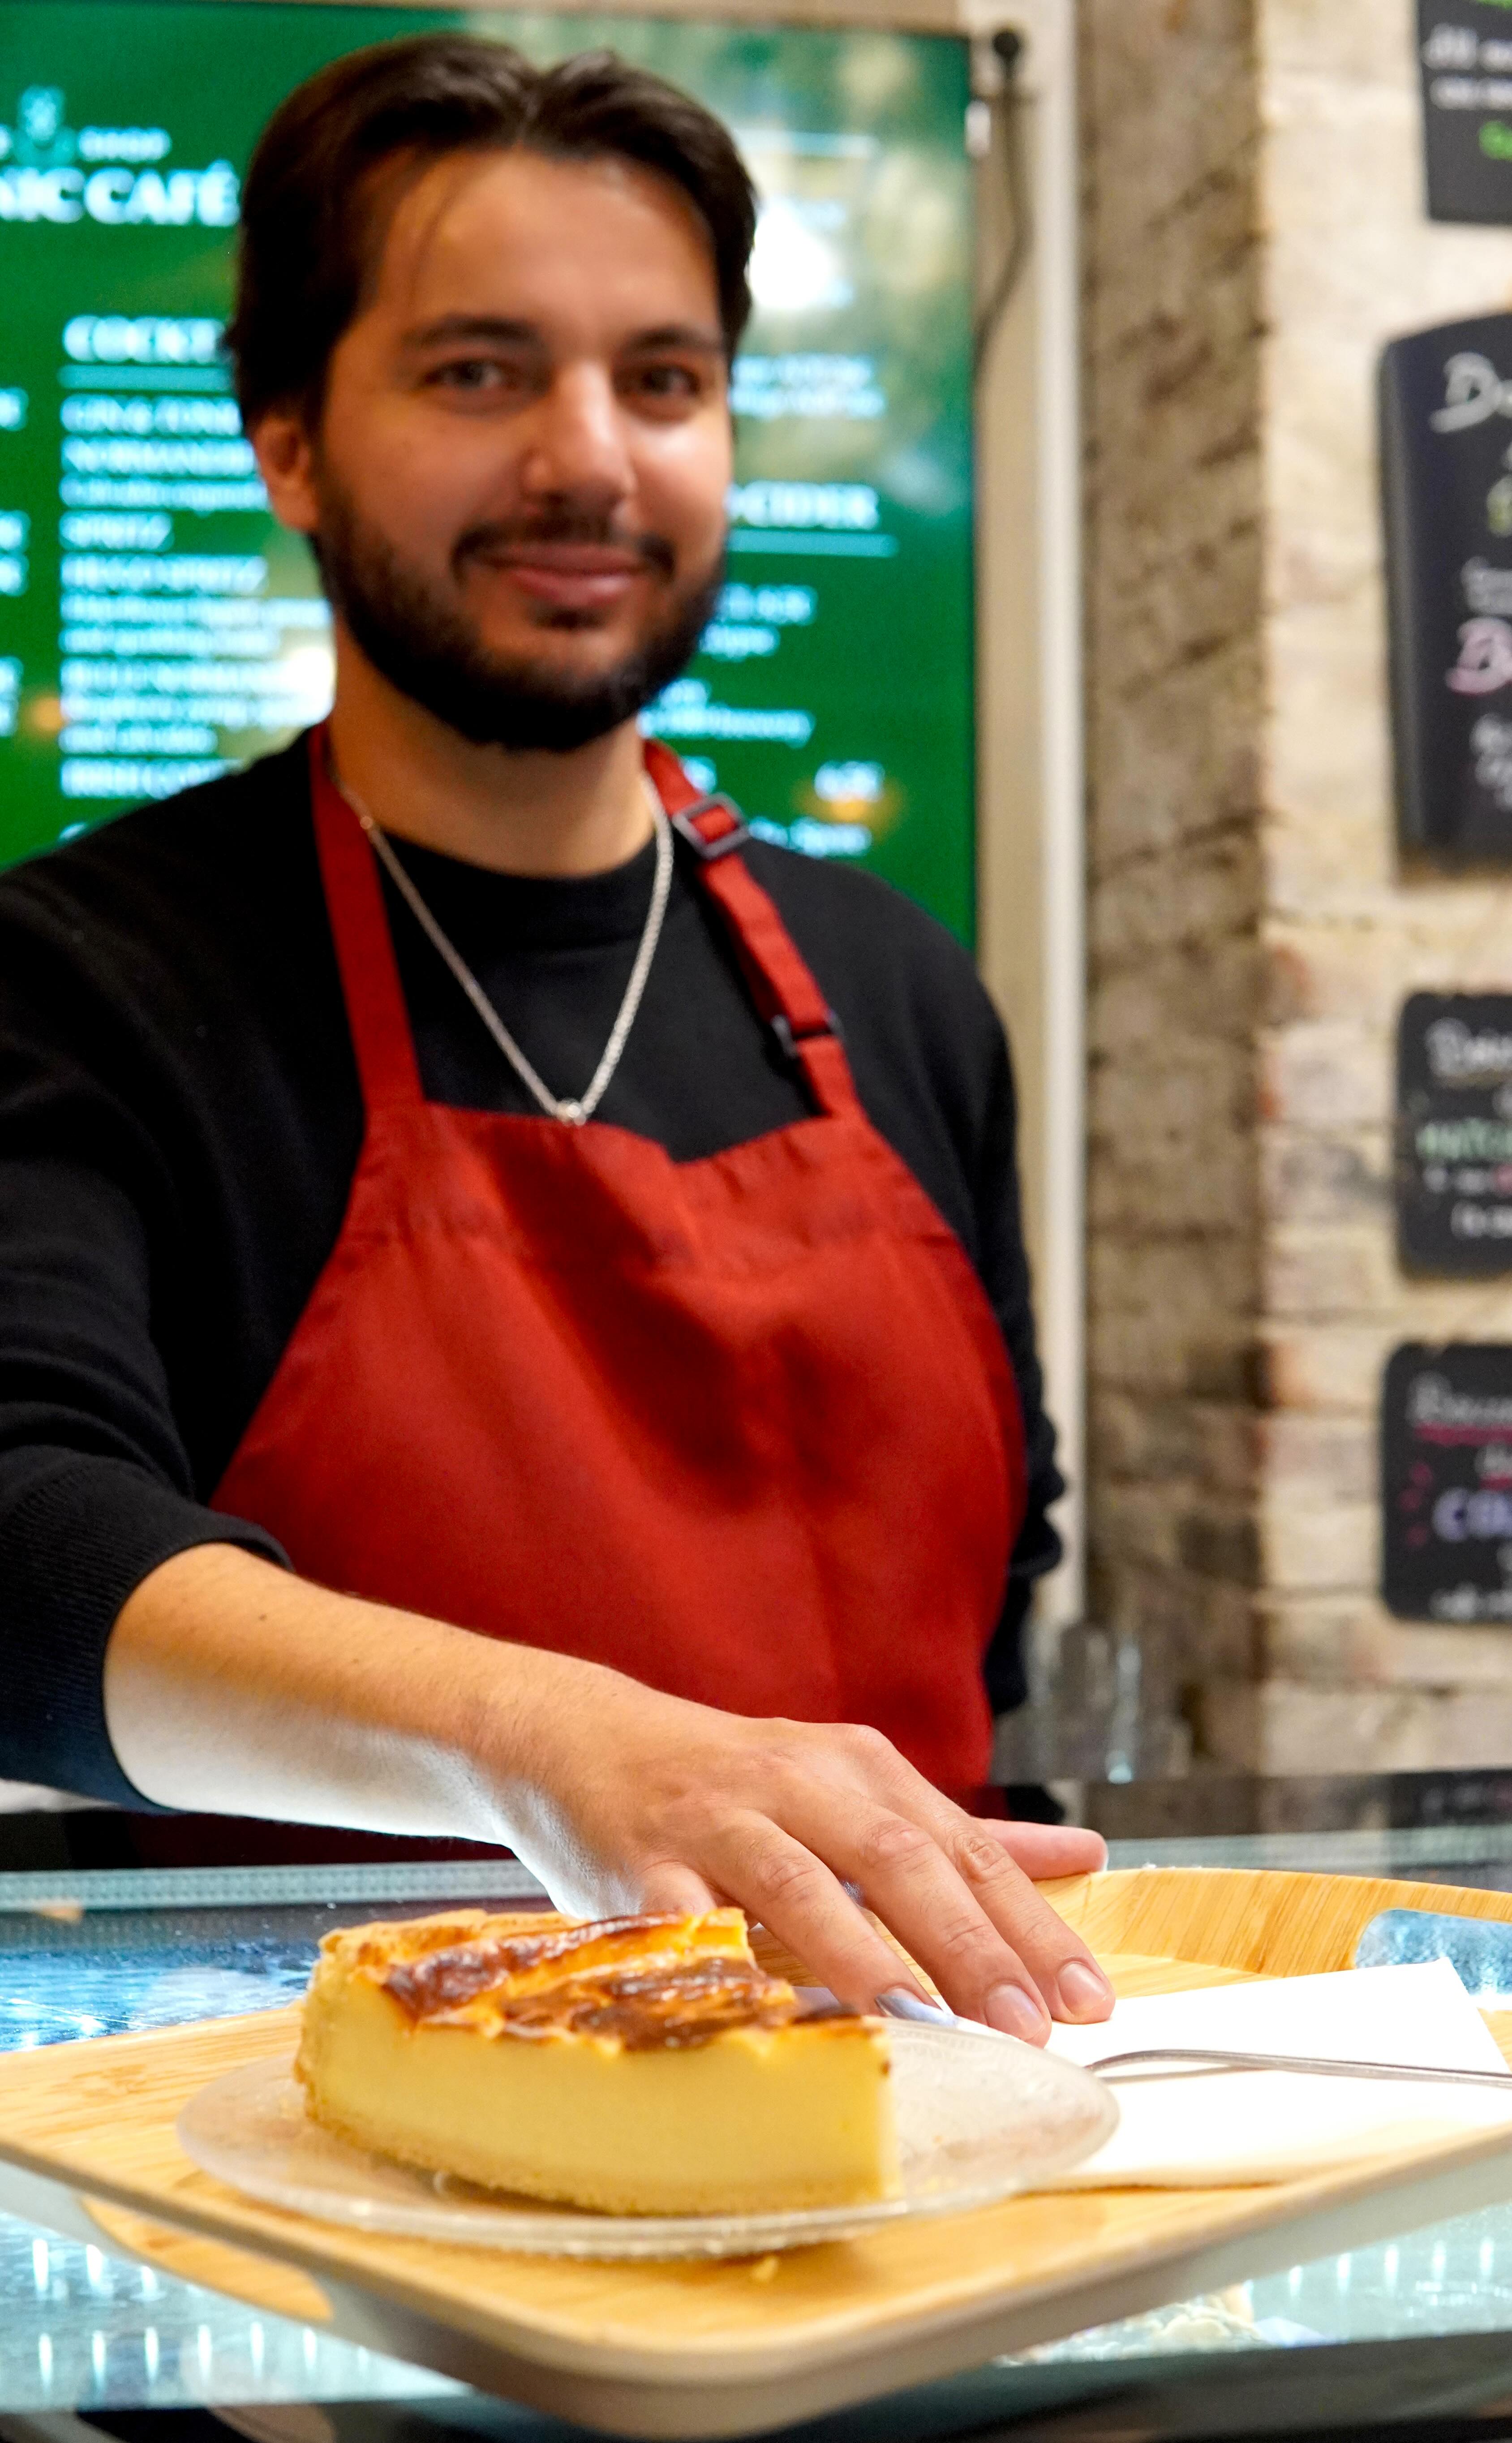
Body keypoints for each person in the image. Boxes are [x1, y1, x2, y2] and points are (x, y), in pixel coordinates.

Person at [0, 36, 1113, 2038]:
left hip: (935, 2171)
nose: (589, 458)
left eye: (664, 380)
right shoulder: (85, 977)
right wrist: (561, 1751)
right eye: (476, 370)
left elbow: (993, 1591)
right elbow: (16, 1545)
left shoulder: (897, 985)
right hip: (323, 2214)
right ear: (289, 440)